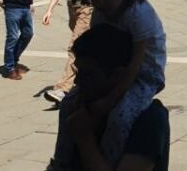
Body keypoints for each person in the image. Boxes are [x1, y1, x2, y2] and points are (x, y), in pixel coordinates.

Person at [75, 0, 167, 165]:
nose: (100, 1)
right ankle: (62, 162)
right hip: (111, 69)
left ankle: (110, 160)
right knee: (71, 105)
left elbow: (135, 64)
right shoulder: (101, 12)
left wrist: (109, 100)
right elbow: (95, 47)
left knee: (120, 116)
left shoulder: (139, 14)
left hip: (144, 74)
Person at [51, 25, 171, 171]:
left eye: (88, 74)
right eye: (77, 72)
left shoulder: (149, 119)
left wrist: (85, 139)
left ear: (117, 75)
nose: (78, 81)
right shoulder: (78, 105)